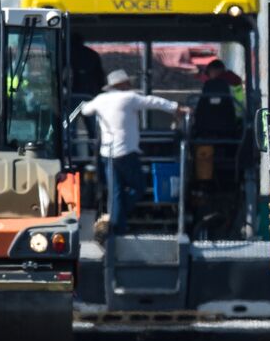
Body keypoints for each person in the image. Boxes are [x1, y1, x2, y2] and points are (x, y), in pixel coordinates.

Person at [77, 70, 189, 236]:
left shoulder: (100, 99)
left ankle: (115, 229)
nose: (130, 85)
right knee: (139, 187)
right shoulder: (129, 98)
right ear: (122, 85)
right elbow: (154, 102)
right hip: (126, 153)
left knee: (115, 193)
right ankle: (118, 218)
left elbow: (85, 110)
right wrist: (177, 108)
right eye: (127, 83)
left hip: (107, 154)